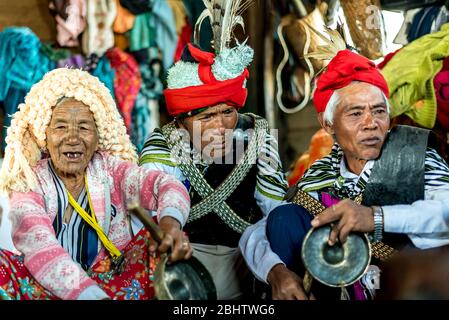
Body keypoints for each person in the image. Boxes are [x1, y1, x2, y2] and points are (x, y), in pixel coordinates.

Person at [265, 49, 449, 300]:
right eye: (355, 113)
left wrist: (376, 218)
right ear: (328, 124)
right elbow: (261, 228)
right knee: (284, 218)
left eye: (379, 111)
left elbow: (446, 211)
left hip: (409, 290)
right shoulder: (323, 171)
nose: (370, 122)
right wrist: (275, 271)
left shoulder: (414, 158)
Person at [139, 2, 289, 300]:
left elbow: (274, 212)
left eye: (227, 113)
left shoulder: (258, 136)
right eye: (206, 117)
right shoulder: (162, 143)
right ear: (180, 120)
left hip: (249, 258)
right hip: (183, 260)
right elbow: (155, 203)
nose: (220, 125)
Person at [0, 68, 192, 300]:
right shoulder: (30, 181)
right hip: (47, 287)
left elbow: (164, 185)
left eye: (83, 127)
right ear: (45, 135)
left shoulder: (110, 169)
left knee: (159, 240)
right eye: (60, 126)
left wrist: (170, 225)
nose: (73, 138)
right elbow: (39, 246)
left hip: (113, 283)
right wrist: (90, 296)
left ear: (97, 135)